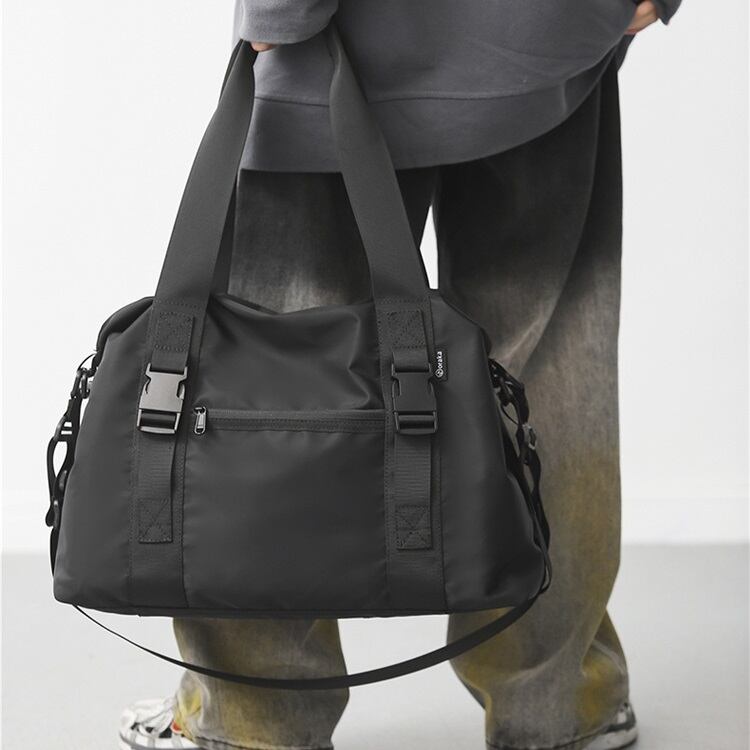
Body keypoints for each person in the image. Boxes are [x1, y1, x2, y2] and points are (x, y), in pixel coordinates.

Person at [119, 2, 682, 749]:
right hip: (553, 41)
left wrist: (279, 11)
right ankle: (557, 709)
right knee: (546, 377)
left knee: (272, 392)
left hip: (342, 43)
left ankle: (256, 719)